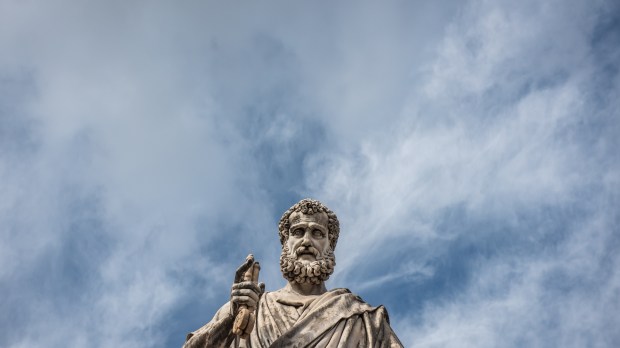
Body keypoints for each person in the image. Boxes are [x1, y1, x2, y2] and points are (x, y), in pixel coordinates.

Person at [183, 198, 403, 348]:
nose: (306, 241)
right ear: (285, 243)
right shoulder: (251, 308)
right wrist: (231, 319)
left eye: (317, 233)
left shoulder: (362, 319)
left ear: (330, 245)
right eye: (298, 232)